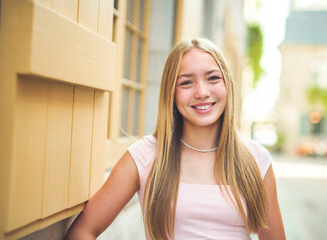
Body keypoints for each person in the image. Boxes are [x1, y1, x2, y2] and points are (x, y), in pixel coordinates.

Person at [65, 38, 286, 240]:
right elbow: (83, 231)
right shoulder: (145, 155)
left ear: (227, 84)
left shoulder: (256, 158)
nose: (201, 92)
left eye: (213, 78)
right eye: (186, 83)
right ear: (171, 93)